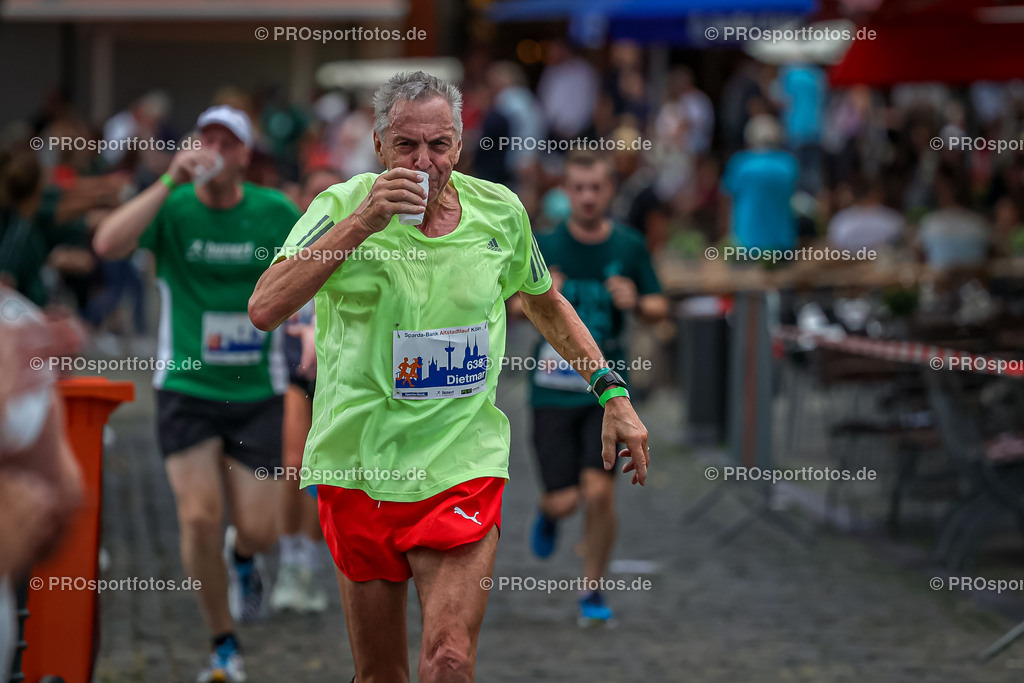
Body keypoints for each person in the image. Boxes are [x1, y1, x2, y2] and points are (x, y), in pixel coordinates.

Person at [248, 71, 651, 683]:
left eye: (439, 145)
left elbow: (544, 301)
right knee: (382, 673)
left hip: (462, 464)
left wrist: (613, 391)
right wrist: (362, 225)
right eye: (406, 145)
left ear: (460, 145)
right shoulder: (337, 205)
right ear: (380, 146)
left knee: (449, 659)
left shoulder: (501, 212)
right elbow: (265, 306)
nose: (424, 161)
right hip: (362, 468)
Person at [93, 105, 300, 682]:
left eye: (226, 142)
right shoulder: (173, 206)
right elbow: (107, 243)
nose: (213, 148)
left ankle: (243, 560)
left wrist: (308, 329)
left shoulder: (273, 211)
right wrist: (165, 180)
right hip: (185, 385)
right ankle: (222, 643)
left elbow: (317, 267)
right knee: (199, 517)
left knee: (259, 529)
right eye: (204, 138)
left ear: (243, 156)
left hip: (257, 390)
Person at [512, 151, 668, 625]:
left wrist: (637, 300)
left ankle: (592, 590)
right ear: (566, 191)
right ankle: (549, 512)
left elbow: (661, 306)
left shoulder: (629, 245)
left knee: (600, 494)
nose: (586, 197)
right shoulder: (543, 243)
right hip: (551, 391)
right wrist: (536, 296)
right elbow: (509, 305)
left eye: (595, 188)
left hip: (608, 393)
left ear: (609, 192)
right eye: (577, 188)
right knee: (565, 499)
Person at [270, 168, 343, 615]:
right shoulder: (291, 245)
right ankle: (289, 559)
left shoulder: (358, 243)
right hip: (292, 373)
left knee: (324, 472)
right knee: (293, 465)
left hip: (337, 380)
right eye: (315, 193)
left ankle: (309, 564)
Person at [720, 114, 800, 253]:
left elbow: (726, 200)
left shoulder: (740, 164)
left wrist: (725, 235)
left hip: (745, 245)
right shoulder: (788, 164)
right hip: (782, 246)